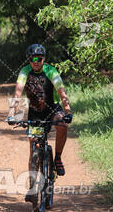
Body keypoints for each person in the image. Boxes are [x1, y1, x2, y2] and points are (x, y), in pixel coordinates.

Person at [7, 44, 73, 200]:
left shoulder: (51, 71)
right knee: (33, 146)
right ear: (28, 60)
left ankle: (57, 158)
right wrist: (11, 113)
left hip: (53, 109)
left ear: (44, 58)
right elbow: (18, 92)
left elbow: (61, 92)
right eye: (32, 59)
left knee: (62, 125)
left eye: (39, 58)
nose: (35, 61)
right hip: (36, 111)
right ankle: (32, 187)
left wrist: (68, 111)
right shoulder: (25, 71)